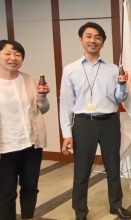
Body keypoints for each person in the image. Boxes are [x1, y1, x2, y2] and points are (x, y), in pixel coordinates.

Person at [59, 22, 131, 220]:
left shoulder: (113, 69)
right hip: (83, 123)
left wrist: (123, 86)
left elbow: (119, 98)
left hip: (109, 122)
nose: (93, 40)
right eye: (88, 36)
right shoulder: (70, 69)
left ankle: (115, 205)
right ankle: (80, 211)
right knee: (81, 170)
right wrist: (66, 134)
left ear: (103, 42)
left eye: (97, 37)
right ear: (81, 39)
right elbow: (66, 104)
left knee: (113, 166)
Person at [0, 40, 50, 220]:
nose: (13, 58)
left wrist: (43, 98)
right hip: (5, 148)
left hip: (31, 144)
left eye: (18, 55)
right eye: (7, 53)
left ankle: (28, 217)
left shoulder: (30, 79)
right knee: (6, 193)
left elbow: (42, 108)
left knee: (30, 187)